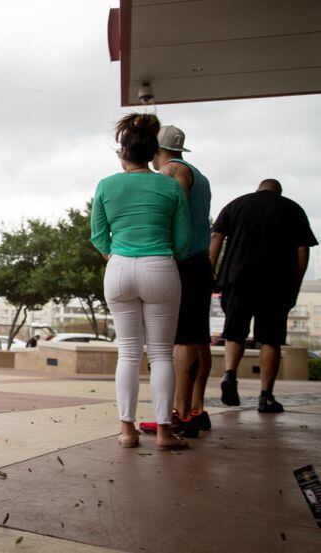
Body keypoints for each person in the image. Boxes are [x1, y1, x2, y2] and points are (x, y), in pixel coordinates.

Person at [90, 113, 191, 450]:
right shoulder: (170, 185)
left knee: (128, 354)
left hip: (118, 270)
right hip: (160, 266)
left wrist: (115, 255)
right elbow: (184, 241)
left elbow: (98, 236)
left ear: (123, 153)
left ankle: (127, 431)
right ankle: (164, 432)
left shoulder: (106, 185)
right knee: (162, 354)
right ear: (152, 153)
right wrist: (161, 255)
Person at [210, 179, 317, 413]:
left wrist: (211, 270)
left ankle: (229, 374)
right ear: (279, 192)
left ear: (258, 189)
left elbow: (216, 237)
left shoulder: (236, 205)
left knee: (234, 332)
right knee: (271, 339)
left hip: (237, 278)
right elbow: (302, 250)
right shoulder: (292, 209)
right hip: (276, 282)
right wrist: (295, 282)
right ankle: (266, 396)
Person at [139, 125, 212, 437]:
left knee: (180, 338)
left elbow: (176, 211)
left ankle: (178, 413)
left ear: (156, 149)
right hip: (201, 261)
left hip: (184, 261)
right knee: (197, 337)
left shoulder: (171, 171)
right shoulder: (201, 174)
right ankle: (195, 409)